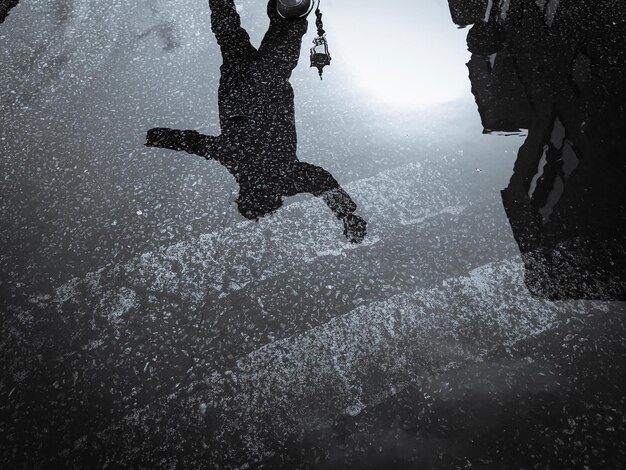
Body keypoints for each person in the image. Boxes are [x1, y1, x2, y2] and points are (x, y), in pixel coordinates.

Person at [146, 0, 366, 243]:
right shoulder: (240, 163)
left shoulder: (280, 177)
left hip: (264, 89)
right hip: (241, 89)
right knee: (231, 36)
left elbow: (321, 180)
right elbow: (196, 144)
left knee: (279, 34)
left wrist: (346, 214)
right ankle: (238, 5)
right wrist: (161, 137)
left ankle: (288, 10)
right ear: (247, 196)